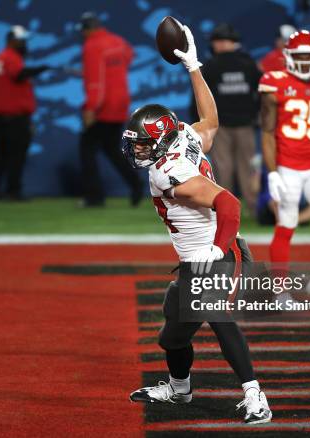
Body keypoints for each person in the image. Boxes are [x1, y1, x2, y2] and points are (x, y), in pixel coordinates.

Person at [122, 26, 272, 424]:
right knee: (171, 337)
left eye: (141, 143)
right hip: (194, 258)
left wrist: (218, 248)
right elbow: (210, 118)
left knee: (217, 314)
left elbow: (229, 202)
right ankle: (179, 389)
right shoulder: (183, 138)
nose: (136, 149)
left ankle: (255, 395)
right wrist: (192, 66)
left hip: (219, 251)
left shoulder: (166, 172)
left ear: (158, 143)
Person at [259, 30, 310, 310]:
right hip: (288, 167)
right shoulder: (275, 83)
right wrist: (272, 172)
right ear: (288, 58)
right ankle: (280, 291)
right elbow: (268, 133)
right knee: (287, 225)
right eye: (300, 56)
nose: (306, 61)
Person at [189, 23, 262, 215]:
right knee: (248, 167)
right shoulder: (248, 63)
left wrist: (198, 124)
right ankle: (254, 208)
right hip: (245, 124)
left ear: (220, 43)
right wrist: (256, 114)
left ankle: (222, 209)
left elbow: (199, 96)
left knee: (223, 169)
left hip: (218, 127)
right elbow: (262, 93)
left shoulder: (212, 65)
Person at [78, 12, 142, 207]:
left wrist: (91, 109)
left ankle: (94, 197)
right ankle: (135, 184)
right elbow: (131, 55)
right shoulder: (118, 41)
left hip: (103, 106)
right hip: (121, 104)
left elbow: (97, 83)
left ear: (86, 29)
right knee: (111, 149)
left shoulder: (91, 46)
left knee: (86, 148)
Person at [0, 25, 48, 201]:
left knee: (1, 155)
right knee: (16, 155)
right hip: (14, 118)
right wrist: (38, 70)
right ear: (12, 41)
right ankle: (13, 190)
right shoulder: (10, 57)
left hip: (0, 117)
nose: (25, 44)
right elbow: (18, 75)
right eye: (22, 41)